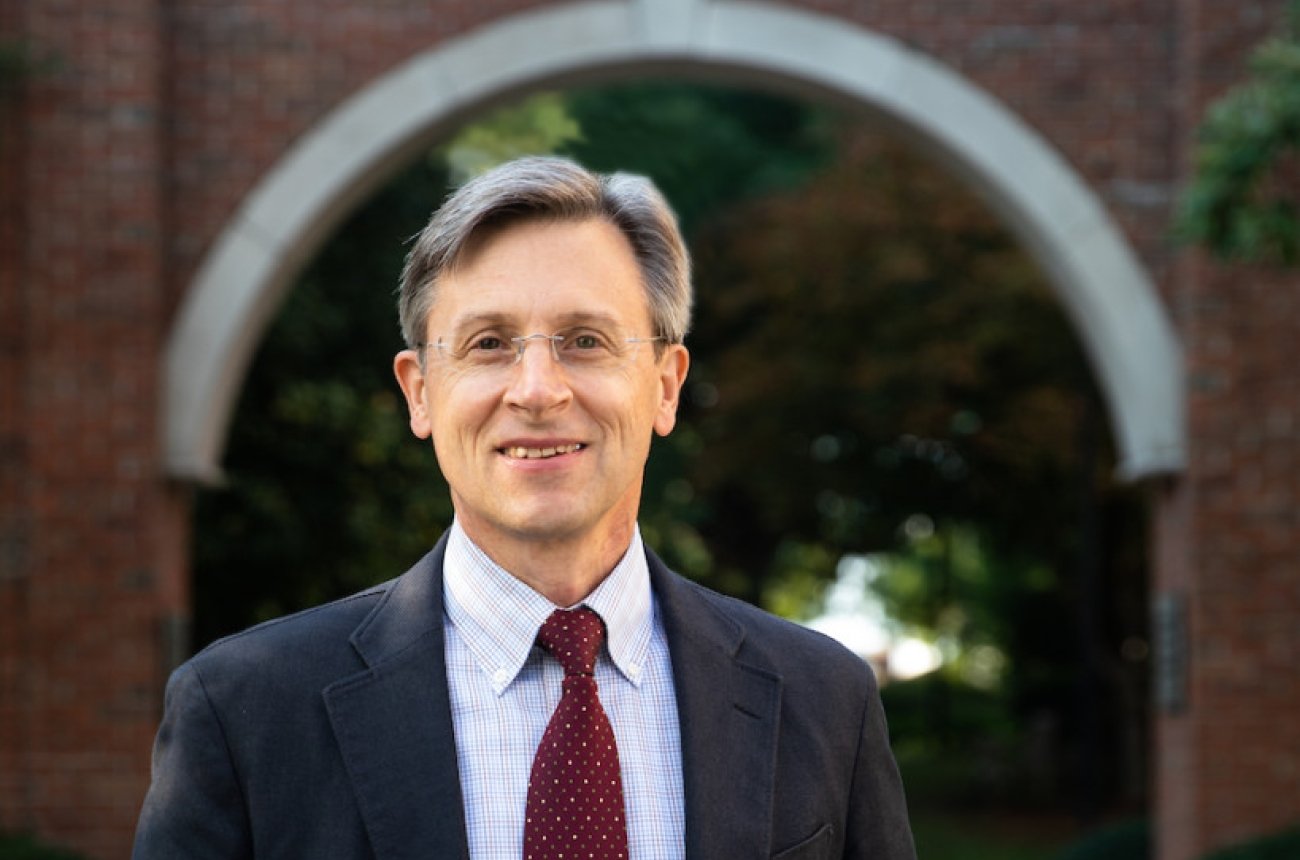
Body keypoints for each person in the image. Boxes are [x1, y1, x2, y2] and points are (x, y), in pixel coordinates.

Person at [133, 156, 916, 859]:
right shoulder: (244, 712)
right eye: (488, 344)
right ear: (420, 392)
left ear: (667, 385)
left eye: (584, 340)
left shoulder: (824, 702)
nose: (537, 390)